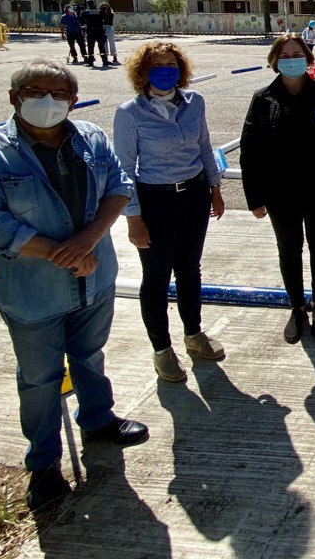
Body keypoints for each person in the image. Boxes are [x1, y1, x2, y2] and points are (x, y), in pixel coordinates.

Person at [0, 60, 148, 513]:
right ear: (14, 97)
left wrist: (89, 240)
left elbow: (118, 186)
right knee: (40, 380)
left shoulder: (92, 139)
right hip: (32, 291)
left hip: (93, 279)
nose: (48, 101)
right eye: (36, 91)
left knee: (90, 356)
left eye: (59, 94)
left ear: (73, 101)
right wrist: (64, 252)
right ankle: (43, 465)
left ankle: (98, 420)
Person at [113, 41, 226, 383]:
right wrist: (133, 217)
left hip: (192, 196)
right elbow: (124, 168)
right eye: (158, 65)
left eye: (172, 64)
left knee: (190, 270)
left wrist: (215, 189)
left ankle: (194, 334)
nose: (166, 70)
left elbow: (205, 146)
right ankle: (162, 350)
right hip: (154, 201)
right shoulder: (129, 113)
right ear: (143, 72)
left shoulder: (195, 103)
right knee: (157, 278)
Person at [240, 34, 315, 342]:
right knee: (289, 248)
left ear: (307, 58)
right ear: (275, 61)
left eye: (297, 53)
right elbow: (249, 151)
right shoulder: (263, 98)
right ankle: (296, 306)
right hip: (279, 191)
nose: (291, 59)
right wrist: (254, 197)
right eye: (285, 55)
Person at [81, 0, 108, 68]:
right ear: (94, 3)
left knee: (90, 47)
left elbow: (81, 20)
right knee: (101, 46)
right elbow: (105, 17)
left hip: (90, 31)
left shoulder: (86, 11)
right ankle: (105, 61)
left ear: (88, 4)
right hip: (99, 31)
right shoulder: (99, 10)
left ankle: (90, 62)